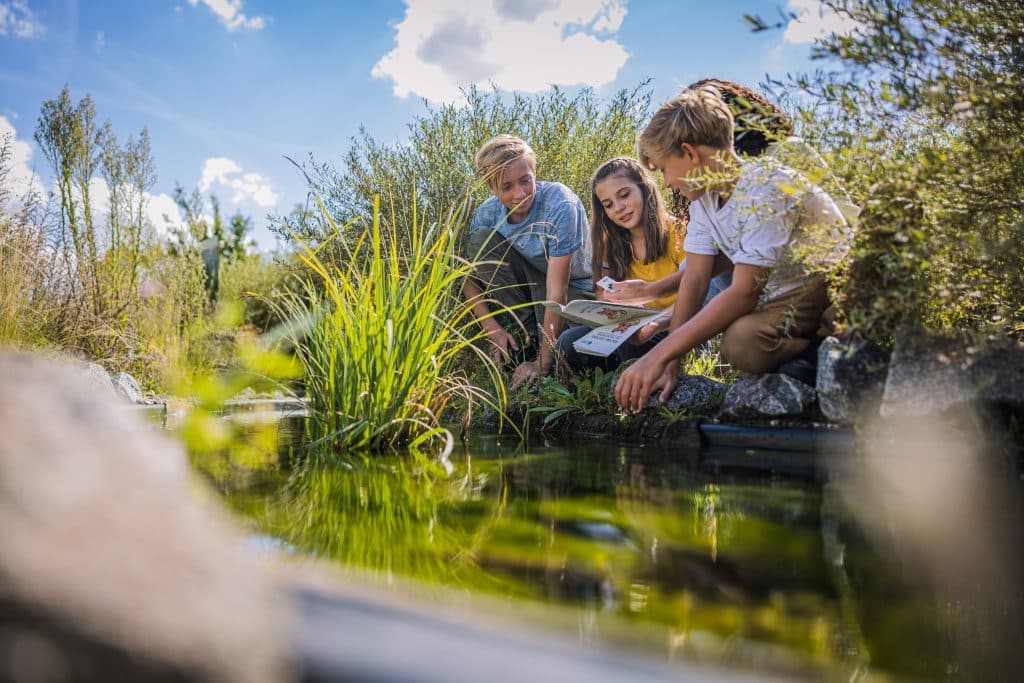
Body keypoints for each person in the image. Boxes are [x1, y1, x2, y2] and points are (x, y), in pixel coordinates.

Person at [615, 86, 850, 412]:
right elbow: (695, 280)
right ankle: (810, 353)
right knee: (741, 344)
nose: (666, 183)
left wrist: (658, 353)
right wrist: (671, 363)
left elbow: (743, 293)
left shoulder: (764, 186)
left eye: (664, 169)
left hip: (826, 285)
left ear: (690, 153)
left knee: (740, 344)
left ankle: (824, 352)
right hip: (785, 296)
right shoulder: (705, 199)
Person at [462, 134, 593, 388]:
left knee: (574, 343)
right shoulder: (486, 215)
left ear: (534, 172)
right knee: (479, 239)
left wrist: (542, 364)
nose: (519, 194)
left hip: (574, 292)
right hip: (530, 292)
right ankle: (528, 337)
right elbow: (468, 279)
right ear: (491, 188)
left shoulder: (559, 203)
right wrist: (492, 328)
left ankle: (545, 353)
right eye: (506, 186)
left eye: (525, 181)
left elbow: (557, 291)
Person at [555, 157, 685, 371]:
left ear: (645, 189)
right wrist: (611, 307)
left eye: (624, 195)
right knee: (568, 342)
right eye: (608, 205)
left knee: (629, 346)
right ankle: (612, 378)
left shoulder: (679, 233)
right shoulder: (609, 244)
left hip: (676, 325)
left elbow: (698, 292)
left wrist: (653, 322)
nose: (619, 208)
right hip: (631, 327)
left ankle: (630, 373)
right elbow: (603, 296)